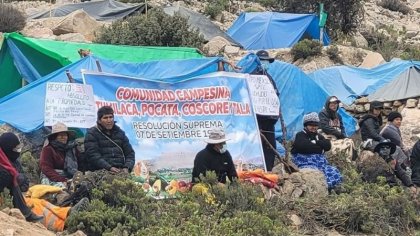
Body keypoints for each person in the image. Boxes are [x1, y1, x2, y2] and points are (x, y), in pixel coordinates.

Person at [291, 112, 342, 189]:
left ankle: (327, 188)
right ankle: (318, 188)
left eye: (315, 125)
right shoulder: (300, 135)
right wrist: (320, 148)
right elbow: (302, 146)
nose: (313, 127)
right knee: (313, 174)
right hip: (305, 163)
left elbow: (328, 145)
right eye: (311, 125)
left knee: (334, 171)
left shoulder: (319, 136)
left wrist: (315, 142)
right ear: (306, 125)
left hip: (321, 164)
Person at [0, 132, 43, 222]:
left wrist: (19, 179)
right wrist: (16, 178)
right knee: (9, 177)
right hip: (5, 195)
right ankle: (26, 214)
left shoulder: (15, 162)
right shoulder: (3, 162)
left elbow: (25, 186)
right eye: (16, 148)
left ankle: (26, 213)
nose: (18, 151)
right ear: (8, 148)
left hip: (12, 195)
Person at [250, 50, 279, 171]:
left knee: (270, 145)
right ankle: (258, 169)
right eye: (262, 61)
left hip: (269, 118)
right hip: (257, 118)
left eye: (266, 61)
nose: (265, 63)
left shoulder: (269, 78)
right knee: (258, 144)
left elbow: (275, 95)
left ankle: (269, 169)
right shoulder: (251, 76)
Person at [84, 106, 135, 173]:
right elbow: (93, 155)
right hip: (101, 171)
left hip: (120, 171)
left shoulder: (120, 133)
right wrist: (109, 168)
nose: (109, 120)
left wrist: (127, 167)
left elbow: (130, 153)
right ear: (99, 120)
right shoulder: (92, 133)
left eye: (111, 117)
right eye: (105, 118)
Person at [40, 122, 79, 188]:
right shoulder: (48, 149)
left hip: (69, 176)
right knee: (56, 189)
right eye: (60, 135)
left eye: (65, 135)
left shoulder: (72, 148)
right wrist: (62, 180)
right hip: (52, 176)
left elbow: (80, 163)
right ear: (55, 137)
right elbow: (46, 168)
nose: (63, 137)